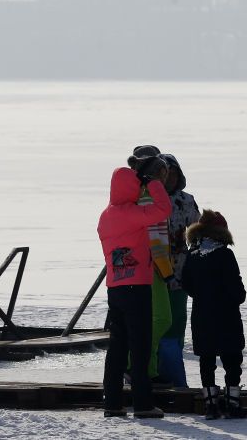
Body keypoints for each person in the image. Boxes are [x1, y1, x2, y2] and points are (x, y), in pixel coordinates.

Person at [97, 160, 172, 419]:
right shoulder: (131, 213)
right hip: (137, 285)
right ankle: (142, 404)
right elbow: (164, 208)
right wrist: (153, 182)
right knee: (140, 346)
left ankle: (113, 402)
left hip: (115, 286)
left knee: (117, 348)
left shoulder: (106, 215)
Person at [182, 210, 247, 420]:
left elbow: (186, 284)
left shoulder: (192, 255)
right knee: (232, 360)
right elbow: (236, 289)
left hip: (202, 314)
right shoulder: (225, 254)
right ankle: (233, 404)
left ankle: (211, 405)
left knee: (207, 359)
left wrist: (203, 298)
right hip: (227, 315)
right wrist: (238, 297)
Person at [126, 146, 175, 383]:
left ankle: (146, 370)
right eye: (164, 174)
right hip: (151, 264)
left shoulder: (140, 193)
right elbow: (153, 234)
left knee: (152, 318)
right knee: (161, 318)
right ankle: (134, 364)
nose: (167, 179)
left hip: (147, 263)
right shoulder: (148, 195)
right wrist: (164, 265)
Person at [158, 154, 200, 388]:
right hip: (153, 269)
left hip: (180, 270)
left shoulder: (186, 201)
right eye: (166, 174)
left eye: (173, 174)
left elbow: (197, 230)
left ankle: (173, 367)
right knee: (157, 321)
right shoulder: (149, 201)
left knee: (176, 319)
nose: (170, 179)